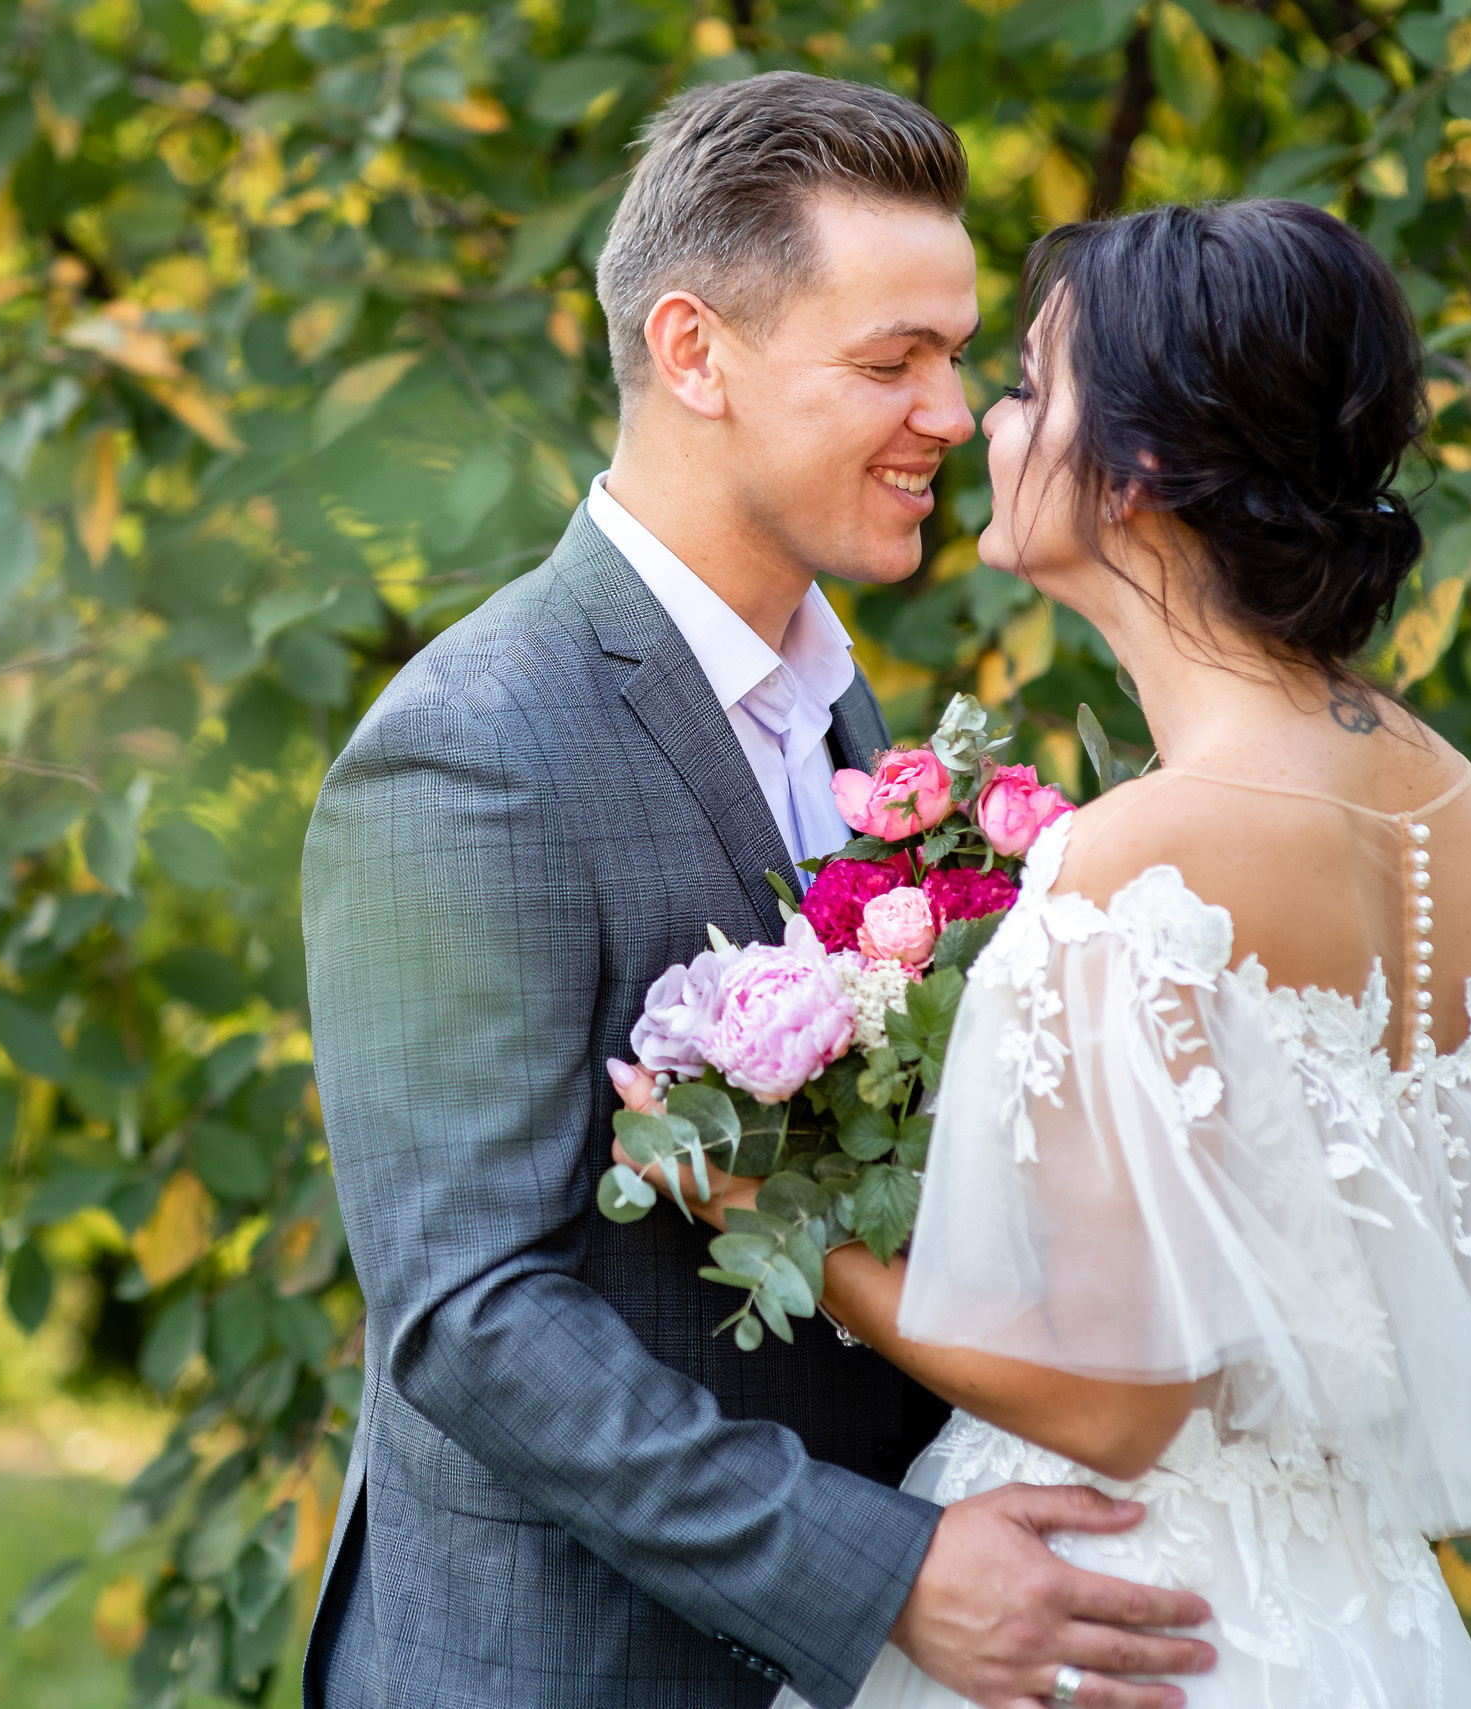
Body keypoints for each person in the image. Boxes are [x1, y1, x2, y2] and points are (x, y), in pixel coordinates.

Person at [628, 200, 1471, 1709]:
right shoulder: (1439, 788)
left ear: (1135, 470)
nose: (979, 419)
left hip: (1115, 1602)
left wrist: (771, 1212)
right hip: (1343, 1607)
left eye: (1025, 386)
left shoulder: (1138, 857)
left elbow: (1120, 1401)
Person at [300, 71, 1220, 1709]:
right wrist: (885, 1573)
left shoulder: (851, 709)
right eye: (894, 362)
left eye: (957, 357)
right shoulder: (464, 750)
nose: (955, 413)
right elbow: (471, 1312)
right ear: (693, 353)